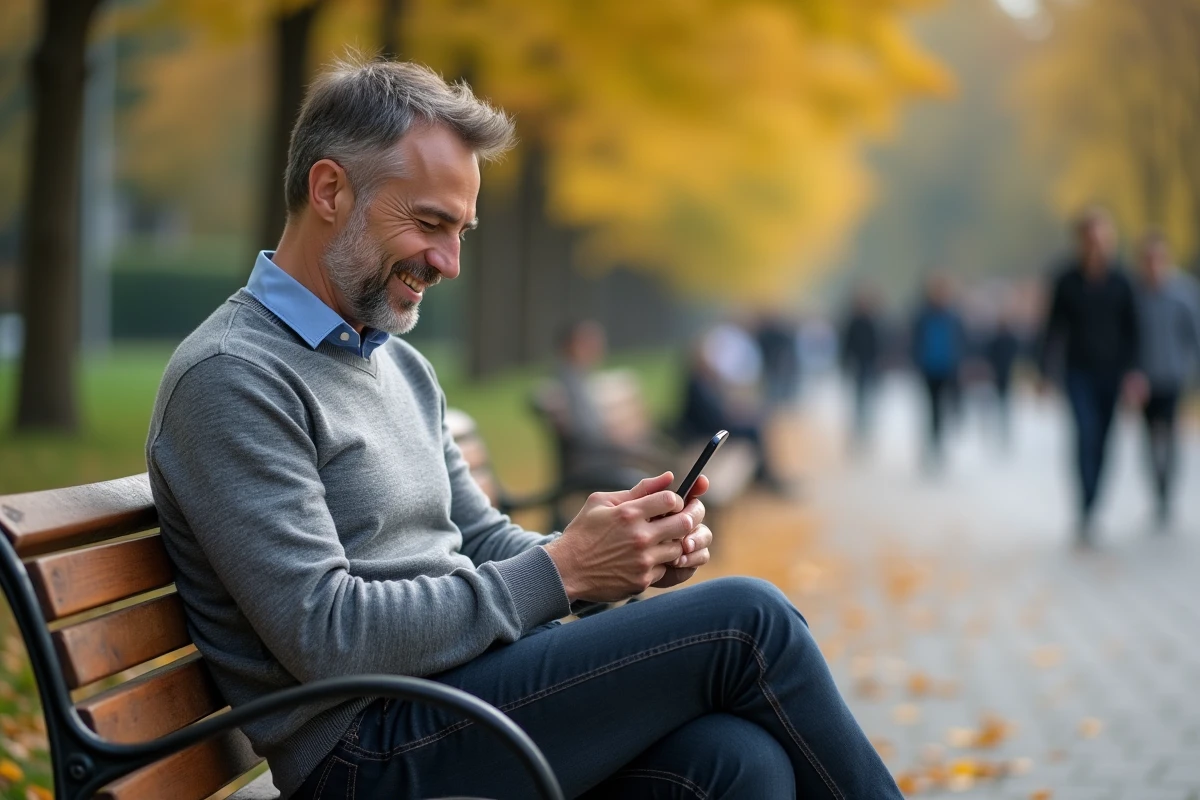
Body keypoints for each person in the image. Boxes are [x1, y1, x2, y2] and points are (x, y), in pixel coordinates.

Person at [146, 59, 899, 799]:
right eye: (431, 223)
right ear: (330, 189)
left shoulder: (400, 368)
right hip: (365, 752)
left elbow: (479, 540)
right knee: (747, 623)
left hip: (456, 700)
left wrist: (619, 555)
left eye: (463, 230)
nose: (449, 262)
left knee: (737, 761)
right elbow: (328, 635)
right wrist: (565, 569)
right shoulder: (231, 375)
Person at [1038, 209, 1140, 543]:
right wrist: (1044, 372)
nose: (1098, 244)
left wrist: (1134, 373)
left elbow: (1133, 331)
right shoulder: (1066, 280)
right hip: (1078, 371)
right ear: (1081, 240)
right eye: (1091, 237)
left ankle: (1094, 504)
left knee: (1105, 441)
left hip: (1112, 372)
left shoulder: (1122, 281)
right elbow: (1052, 328)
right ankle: (1084, 508)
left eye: (1103, 238)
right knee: (1085, 434)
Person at [1129, 232, 1200, 528]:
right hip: (1144, 379)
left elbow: (1193, 333)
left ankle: (1167, 493)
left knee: (1169, 435)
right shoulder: (1134, 295)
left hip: (1173, 376)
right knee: (1149, 437)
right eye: (1148, 260)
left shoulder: (1183, 291)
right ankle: (1157, 489)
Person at [910, 274, 967, 469]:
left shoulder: (953, 316)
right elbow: (914, 341)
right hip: (928, 368)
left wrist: (961, 362)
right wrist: (916, 362)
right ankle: (932, 446)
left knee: (944, 409)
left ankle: (939, 444)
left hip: (948, 368)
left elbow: (961, 341)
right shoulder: (923, 315)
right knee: (931, 409)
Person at [840, 286, 883, 453]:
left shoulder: (874, 320)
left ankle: (866, 430)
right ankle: (858, 431)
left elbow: (879, 343)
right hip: (857, 364)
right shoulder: (853, 321)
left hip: (871, 364)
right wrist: (845, 362)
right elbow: (847, 344)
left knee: (869, 399)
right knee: (859, 399)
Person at [984, 308, 1022, 448]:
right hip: (998, 375)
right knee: (999, 404)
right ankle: (997, 429)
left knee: (1004, 404)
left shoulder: (1009, 340)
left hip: (1005, 375)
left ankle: (1003, 430)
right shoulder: (997, 340)